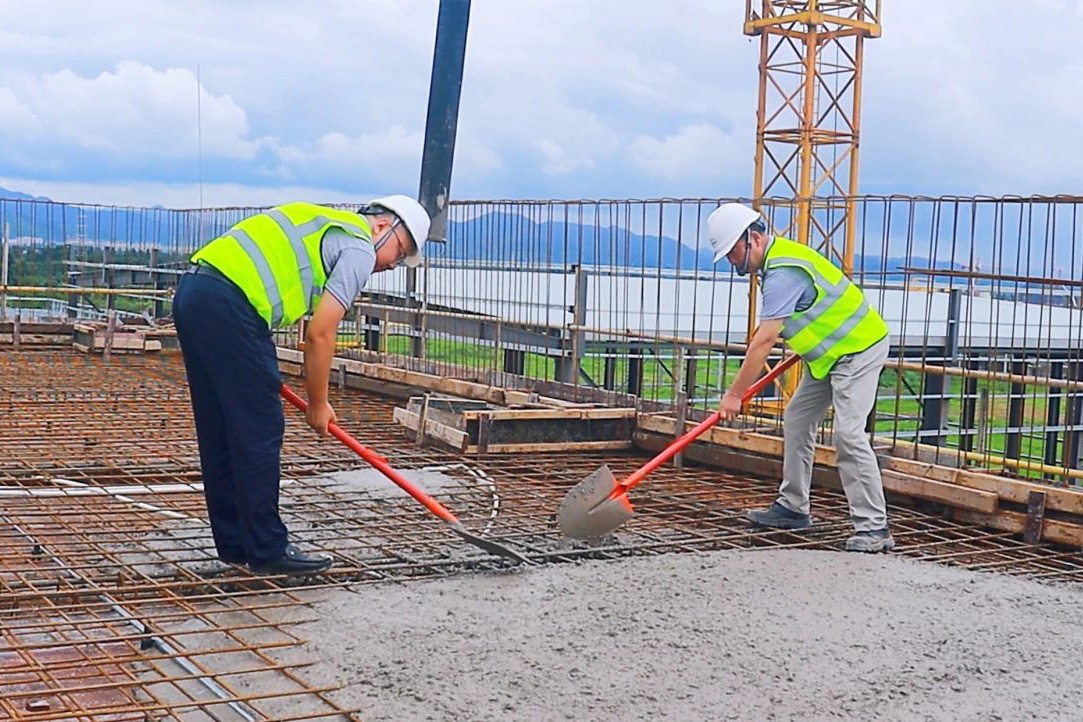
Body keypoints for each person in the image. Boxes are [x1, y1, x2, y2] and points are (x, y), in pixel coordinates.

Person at [172, 196, 431, 575]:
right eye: (400, 251)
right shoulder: (359, 246)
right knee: (259, 429)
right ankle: (267, 549)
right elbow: (321, 333)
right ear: (382, 227)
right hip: (231, 304)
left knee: (221, 427)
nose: (392, 264)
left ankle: (235, 543)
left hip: (194, 293)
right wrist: (318, 404)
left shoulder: (326, 224)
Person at [707, 202, 894, 552]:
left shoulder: (782, 273)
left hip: (858, 349)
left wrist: (734, 394)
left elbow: (763, 341)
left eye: (733, 253)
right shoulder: (777, 264)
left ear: (755, 239)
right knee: (797, 419)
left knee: (849, 435)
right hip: (827, 357)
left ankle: (874, 527)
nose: (733, 262)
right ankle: (793, 507)